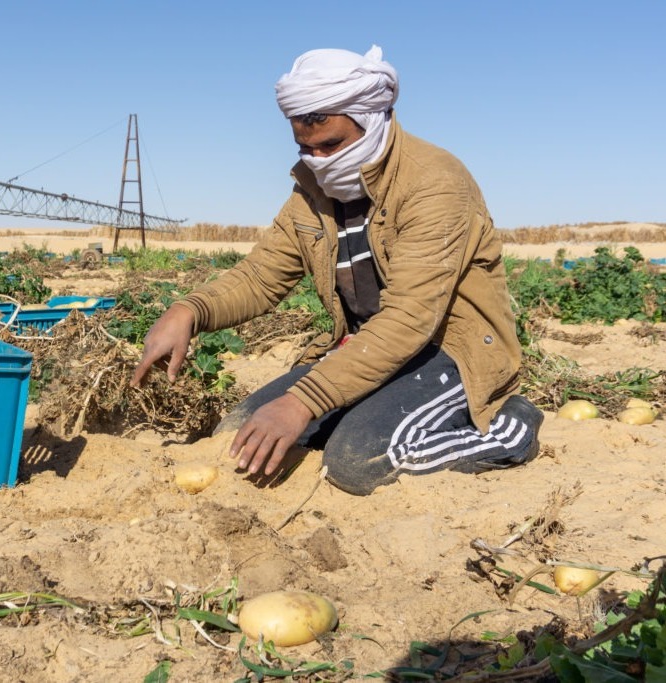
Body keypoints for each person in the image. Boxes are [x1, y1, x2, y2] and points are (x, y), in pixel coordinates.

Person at [130, 45, 544, 496]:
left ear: (373, 120)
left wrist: (305, 401)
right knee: (238, 436)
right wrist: (190, 310)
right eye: (305, 148)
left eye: (331, 144)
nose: (319, 159)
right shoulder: (313, 192)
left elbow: (410, 319)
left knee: (356, 462)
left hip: (448, 350)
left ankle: (507, 425)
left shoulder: (434, 182)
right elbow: (260, 277)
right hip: (364, 350)